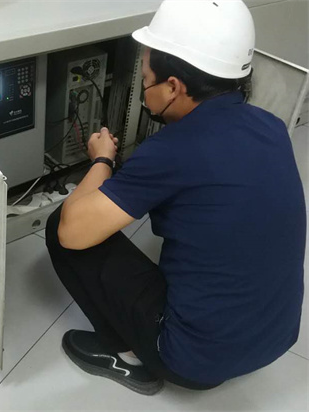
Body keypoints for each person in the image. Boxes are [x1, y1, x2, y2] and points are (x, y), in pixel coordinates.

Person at [45, 0, 305, 396]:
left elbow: (73, 230)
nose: (143, 86)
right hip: (274, 339)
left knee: (59, 226)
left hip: (192, 359)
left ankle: (129, 357)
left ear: (172, 87)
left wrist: (102, 159)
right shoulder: (271, 126)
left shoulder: (173, 150)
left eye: (146, 78)